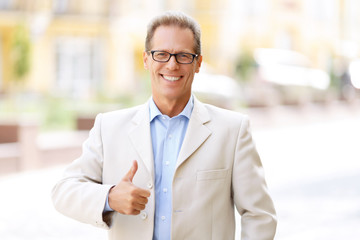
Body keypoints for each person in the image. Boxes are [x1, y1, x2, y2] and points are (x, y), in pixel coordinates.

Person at [52, 11, 277, 240]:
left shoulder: (232, 130)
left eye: (183, 56)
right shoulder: (109, 128)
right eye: (161, 54)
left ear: (198, 63)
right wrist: (109, 197)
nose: (172, 65)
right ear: (146, 59)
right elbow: (63, 191)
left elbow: (260, 215)